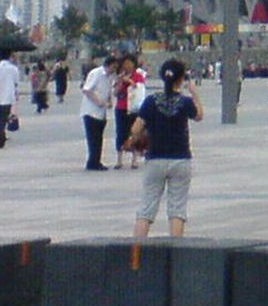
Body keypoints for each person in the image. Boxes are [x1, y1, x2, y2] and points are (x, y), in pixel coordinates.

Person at [130, 57, 203, 239]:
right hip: (180, 158)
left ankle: (136, 251)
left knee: (146, 208)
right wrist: (195, 94)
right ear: (181, 79)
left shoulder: (151, 101)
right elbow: (199, 116)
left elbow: (135, 129)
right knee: (177, 208)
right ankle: (175, 251)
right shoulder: (185, 102)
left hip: (155, 158)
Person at [80, 54, 116, 170]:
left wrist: (109, 101)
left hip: (101, 113)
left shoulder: (110, 77)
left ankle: (96, 161)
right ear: (108, 65)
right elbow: (87, 90)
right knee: (93, 139)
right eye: (113, 67)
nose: (114, 70)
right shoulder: (96, 73)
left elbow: (108, 91)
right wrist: (99, 102)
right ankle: (92, 163)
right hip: (91, 111)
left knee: (99, 138)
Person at [0, 50, 21, 149]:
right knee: (3, 121)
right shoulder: (14, 69)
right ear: (9, 56)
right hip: (9, 98)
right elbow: (16, 84)